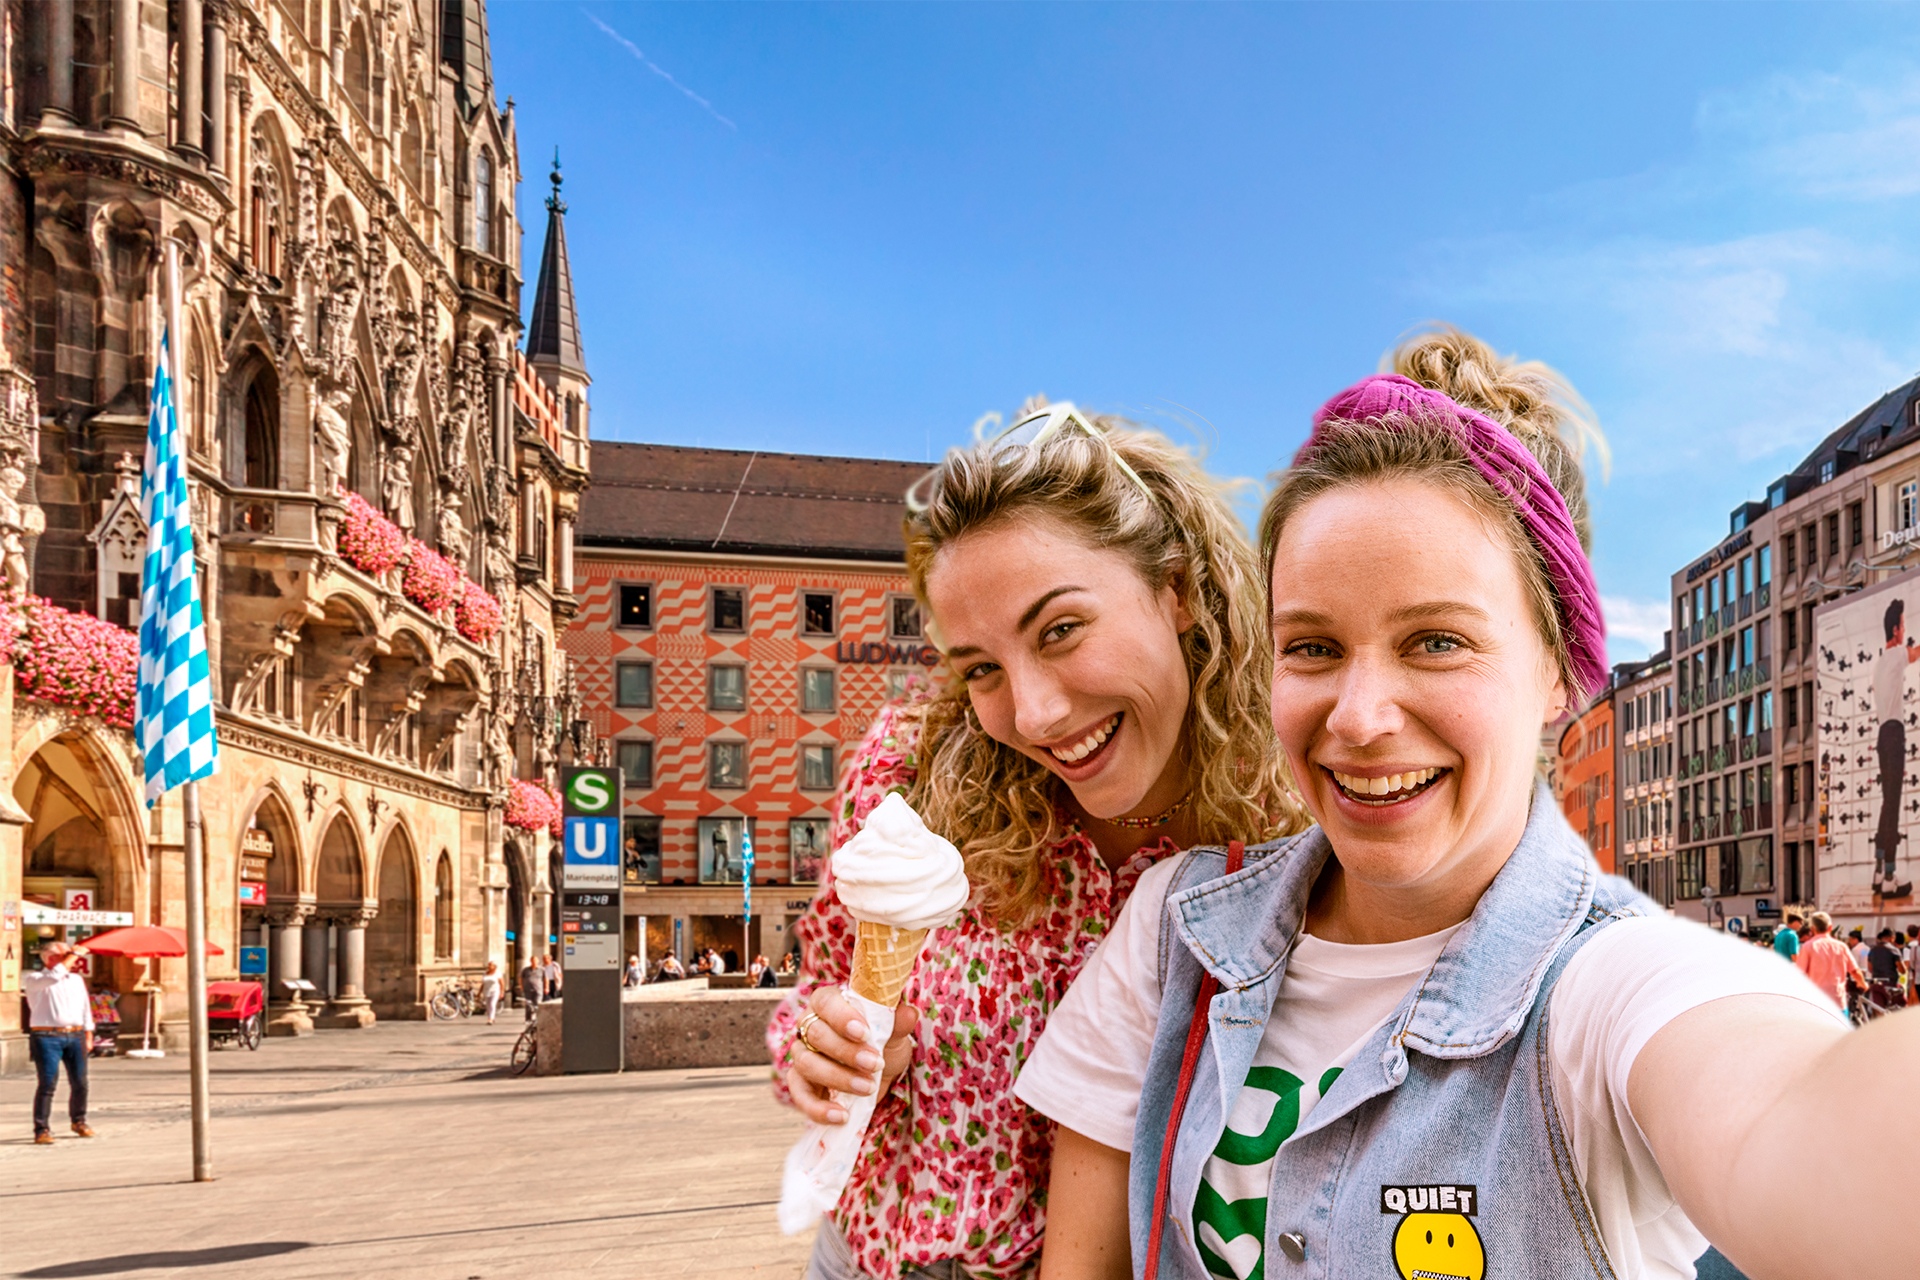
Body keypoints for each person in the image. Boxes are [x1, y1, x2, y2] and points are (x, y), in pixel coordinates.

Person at [1021, 329, 1913, 1279]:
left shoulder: (1605, 991)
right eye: (1313, 648)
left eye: (1436, 642)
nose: (1358, 720)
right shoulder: (1174, 931)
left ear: (1559, 676)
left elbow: (1790, 1113)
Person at [768, 401, 1306, 1280]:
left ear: (1176, 589)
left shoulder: (1287, 823)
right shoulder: (908, 778)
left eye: (1060, 630)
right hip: (866, 1260)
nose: (1034, 713)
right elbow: (820, 988)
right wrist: (822, 1048)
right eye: (981, 667)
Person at [1870, 600, 1918, 902]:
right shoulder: (1897, 654)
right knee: (1893, 803)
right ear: (1896, 630)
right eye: (1903, 624)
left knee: (1888, 803)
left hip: (1882, 735)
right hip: (1894, 734)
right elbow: (1914, 654)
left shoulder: (1879, 664)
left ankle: (1878, 870)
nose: (1904, 630)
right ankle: (1889, 877)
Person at [23, 942, 95, 1144]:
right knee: (47, 1083)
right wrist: (74, 954)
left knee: (80, 1082)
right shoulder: (36, 978)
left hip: (75, 1034)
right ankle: (41, 1128)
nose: (72, 959)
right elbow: (53, 976)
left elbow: (84, 1007)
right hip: (46, 1035)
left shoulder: (76, 980)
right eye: (66, 955)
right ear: (51, 958)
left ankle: (79, 1120)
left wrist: (88, 1034)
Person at [1794, 912, 1864, 1010]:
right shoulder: (1841, 946)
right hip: (1838, 1002)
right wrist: (1862, 983)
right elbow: (1855, 971)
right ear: (1830, 928)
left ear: (1812, 929)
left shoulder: (1808, 947)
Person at [519, 956, 543, 1023]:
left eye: (535, 960)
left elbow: (545, 979)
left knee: (538, 1004)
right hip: (528, 989)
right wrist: (521, 986)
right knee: (528, 1005)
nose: (534, 962)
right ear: (530, 961)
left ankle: (538, 1019)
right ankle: (528, 1019)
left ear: (538, 961)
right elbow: (521, 978)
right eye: (532, 960)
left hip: (538, 990)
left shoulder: (541, 970)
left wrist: (546, 987)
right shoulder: (525, 970)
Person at [479, 960, 503, 1024]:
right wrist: (479, 993)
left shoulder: (497, 973)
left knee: (492, 1004)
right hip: (486, 991)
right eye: (488, 965)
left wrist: (501, 992)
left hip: (495, 991)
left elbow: (502, 983)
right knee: (488, 1005)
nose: (489, 966)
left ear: (494, 966)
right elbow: (483, 984)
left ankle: (491, 1019)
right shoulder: (485, 974)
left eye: (490, 965)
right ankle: (491, 1017)